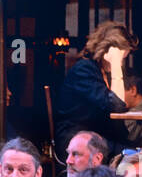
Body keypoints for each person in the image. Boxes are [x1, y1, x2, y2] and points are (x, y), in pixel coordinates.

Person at [52, 21, 135, 152]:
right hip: (78, 142)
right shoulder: (84, 70)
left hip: (98, 139)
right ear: (106, 51)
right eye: (121, 58)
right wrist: (115, 64)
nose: (122, 63)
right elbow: (117, 106)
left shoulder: (101, 71)